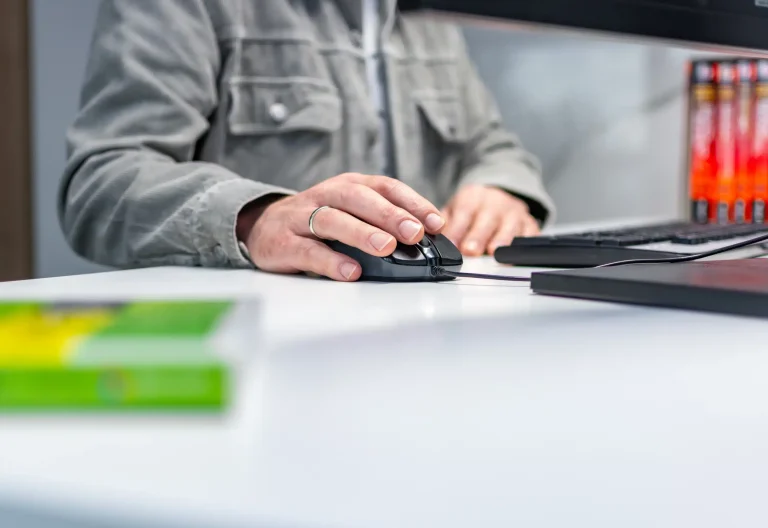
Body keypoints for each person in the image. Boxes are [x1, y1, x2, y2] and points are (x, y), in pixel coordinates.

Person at [59, 0, 555, 282]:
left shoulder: (429, 19)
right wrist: (255, 217)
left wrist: (500, 190)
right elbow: (101, 181)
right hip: (266, 351)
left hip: (429, 337)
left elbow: (493, 146)